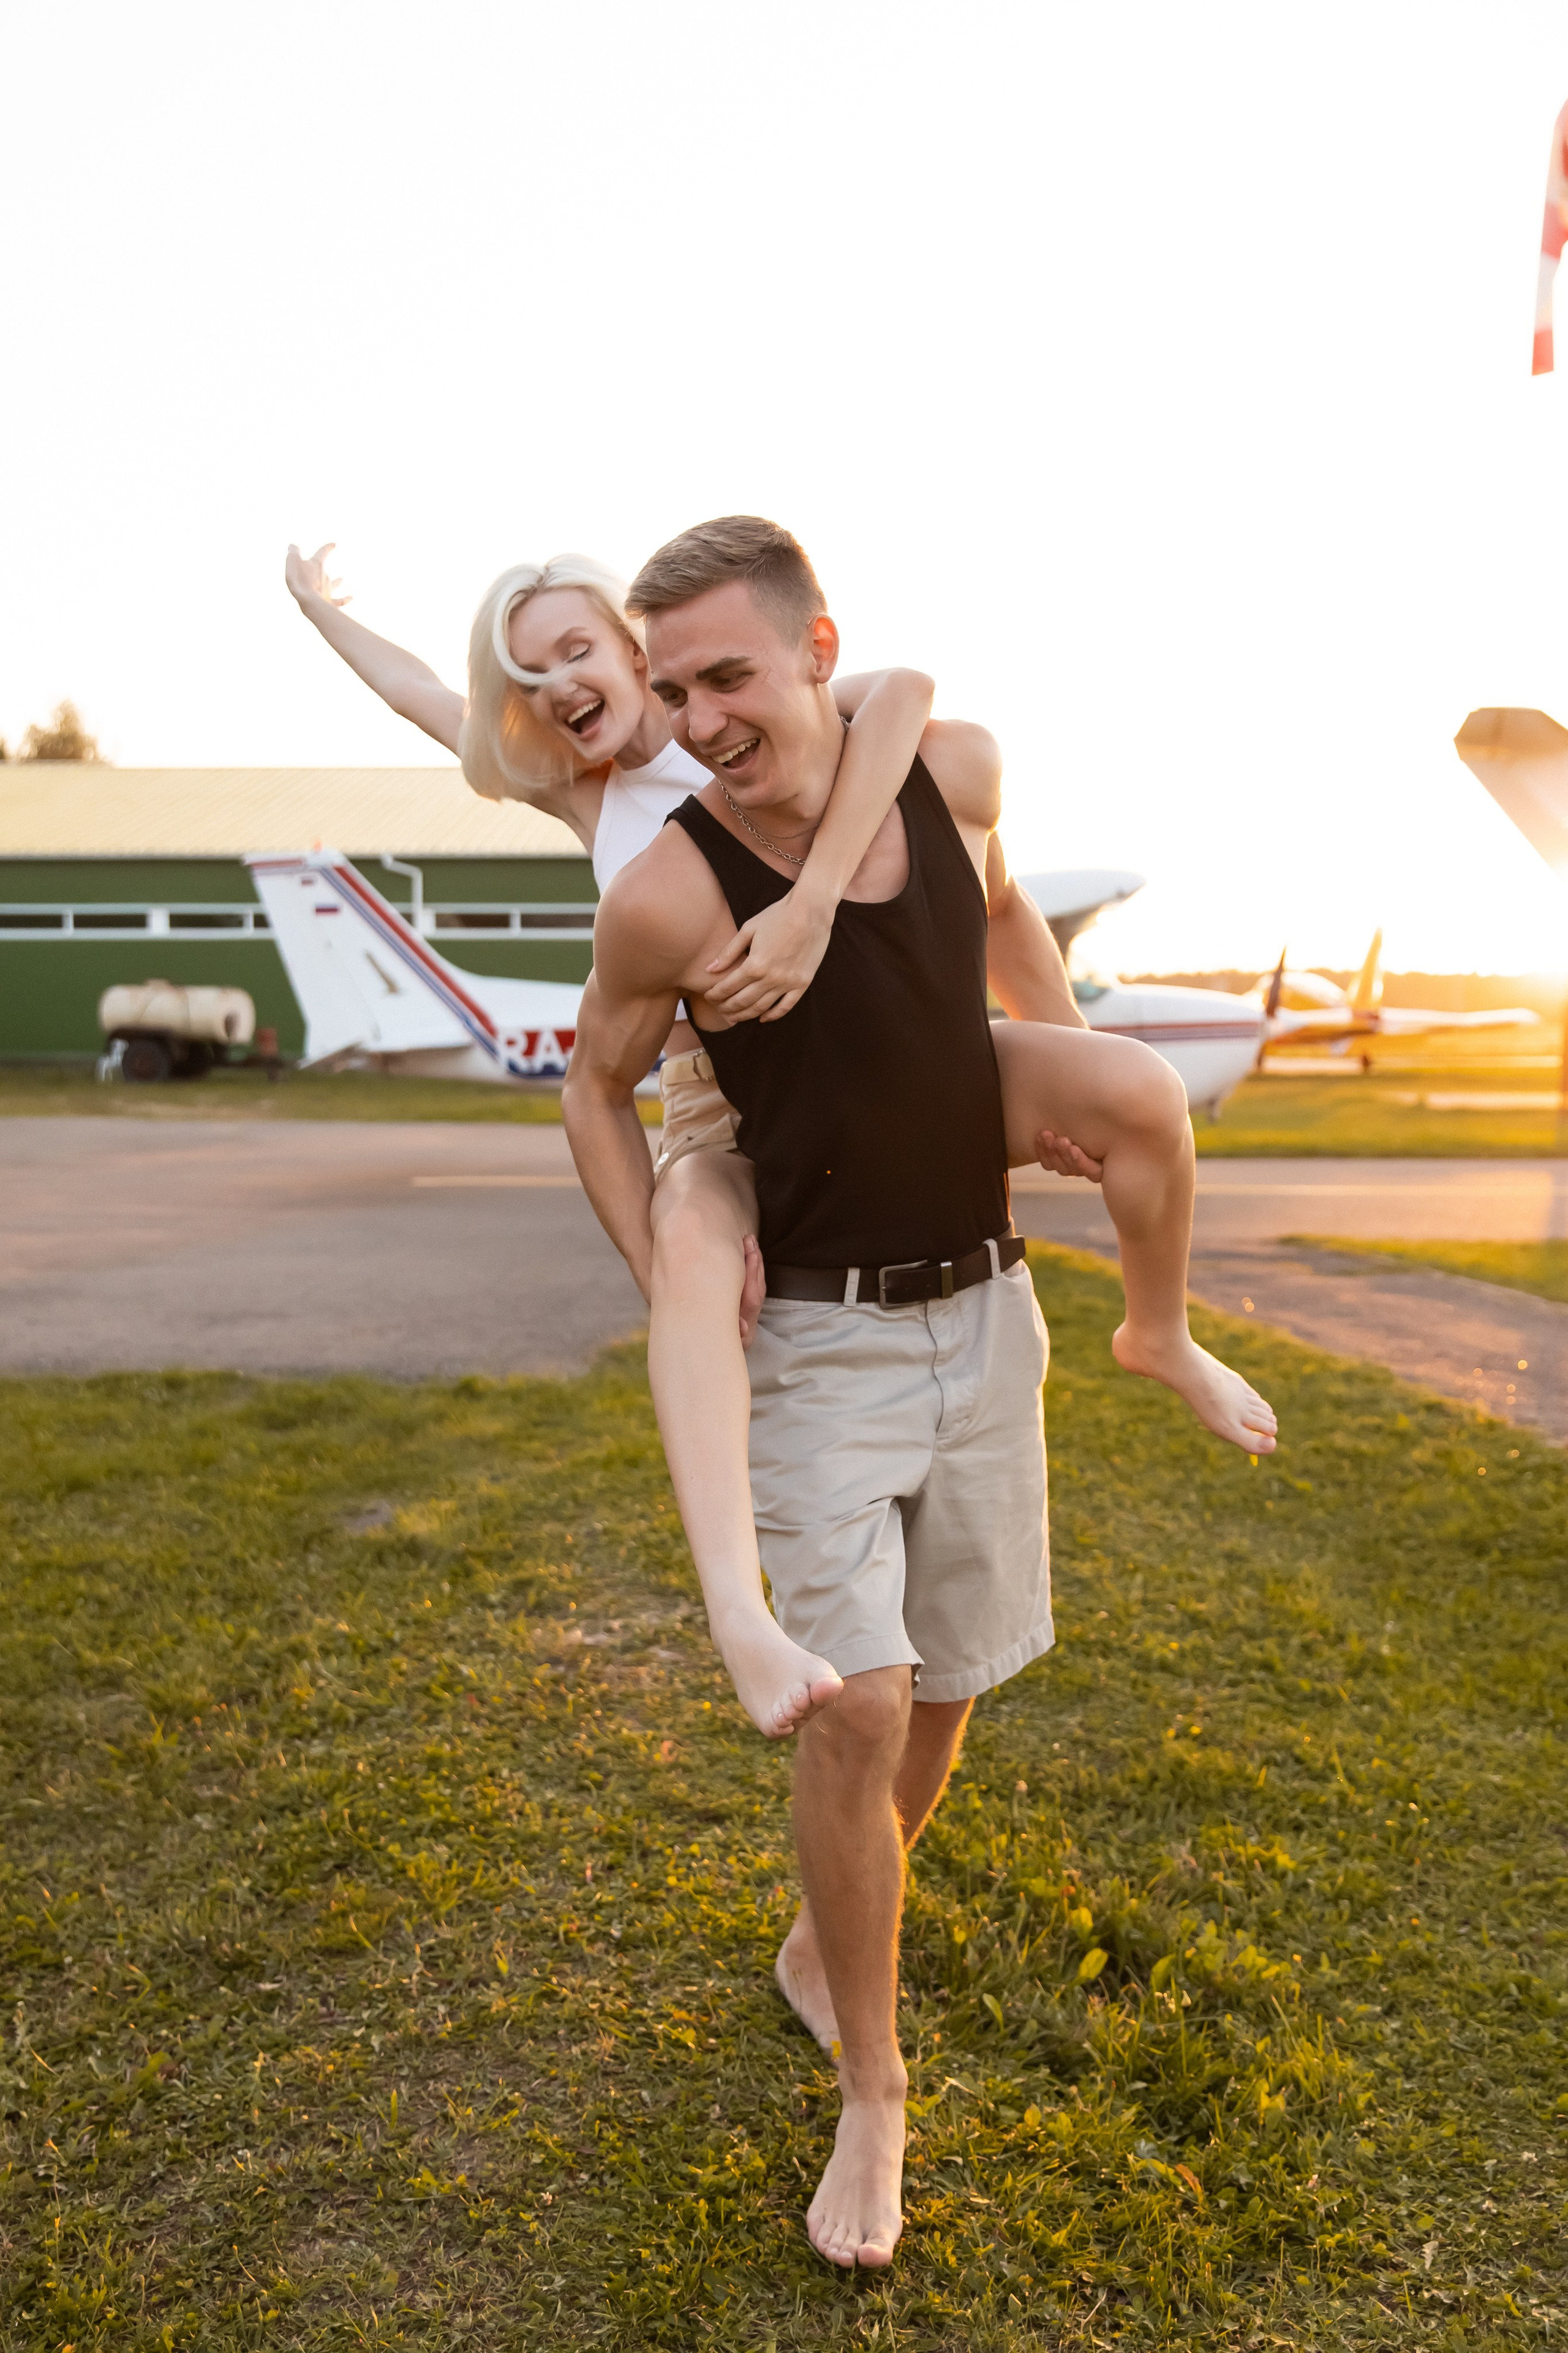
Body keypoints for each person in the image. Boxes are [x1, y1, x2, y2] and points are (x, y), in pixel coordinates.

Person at [560, 516, 1273, 2270]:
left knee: (947, 1691)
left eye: (727, 674)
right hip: (815, 1330)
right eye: (672, 690)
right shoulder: (670, 884)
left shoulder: (940, 769)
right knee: (856, 1705)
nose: (700, 717)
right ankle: (872, 2084)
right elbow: (594, 1085)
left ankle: (1157, 1330)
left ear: (816, 650)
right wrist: (668, 1265)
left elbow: (1012, 915)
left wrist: (1052, 1085)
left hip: (991, 1317)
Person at [285, 542, 1275, 1747]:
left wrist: (824, 919)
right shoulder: (590, 795)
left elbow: (905, 687)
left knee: (1134, 1088)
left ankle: (1156, 1329)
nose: (553, 687)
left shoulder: (751, 711)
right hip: (723, 1072)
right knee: (691, 1233)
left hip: (884, 1017)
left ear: (637, 650)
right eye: (527, 673)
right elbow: (419, 699)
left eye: (574, 650)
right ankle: (738, 1613)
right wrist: (319, 610)